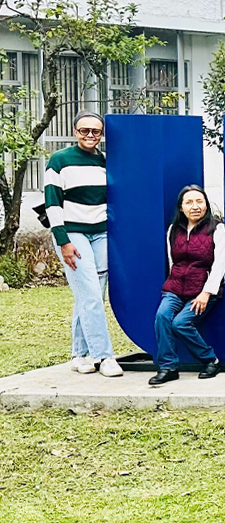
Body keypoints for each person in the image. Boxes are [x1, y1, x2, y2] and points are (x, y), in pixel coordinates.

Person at [46, 112, 121, 377]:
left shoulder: (105, 161)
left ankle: (80, 354)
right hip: (72, 234)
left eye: (96, 132)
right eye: (84, 130)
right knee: (89, 292)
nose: (90, 135)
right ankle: (104, 356)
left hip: (100, 233)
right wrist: (63, 241)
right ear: (75, 131)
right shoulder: (59, 160)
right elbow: (52, 203)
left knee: (91, 295)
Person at [149, 185, 225, 385]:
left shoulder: (216, 228)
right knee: (162, 317)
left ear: (206, 205)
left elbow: (220, 262)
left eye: (199, 201)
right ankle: (168, 367)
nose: (195, 206)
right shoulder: (173, 230)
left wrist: (207, 292)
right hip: (174, 288)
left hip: (202, 290)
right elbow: (172, 261)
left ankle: (210, 359)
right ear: (181, 207)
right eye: (189, 202)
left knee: (181, 323)